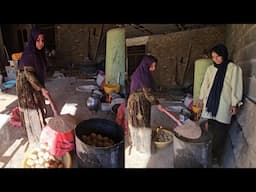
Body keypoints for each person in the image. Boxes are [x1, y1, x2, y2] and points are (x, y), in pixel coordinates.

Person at [198, 43, 243, 166]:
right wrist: (201, 99)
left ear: (224, 55)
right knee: (211, 128)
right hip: (210, 103)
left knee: (221, 132)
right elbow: (205, 85)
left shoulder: (233, 68)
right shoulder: (210, 69)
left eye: (218, 56)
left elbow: (236, 86)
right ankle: (209, 153)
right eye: (213, 57)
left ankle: (216, 155)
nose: (215, 59)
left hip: (224, 104)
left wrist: (235, 103)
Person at [16, 28, 59, 146]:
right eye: (38, 40)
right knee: (32, 109)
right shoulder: (29, 55)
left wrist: (41, 88)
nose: (41, 43)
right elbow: (29, 75)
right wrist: (41, 88)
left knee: (39, 104)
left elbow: (39, 71)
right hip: (26, 85)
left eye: (42, 40)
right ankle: (34, 138)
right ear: (33, 41)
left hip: (35, 83)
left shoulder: (39, 53)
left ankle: (41, 130)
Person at [127, 55, 164, 154]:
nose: (154, 68)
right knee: (141, 122)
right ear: (147, 64)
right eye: (153, 65)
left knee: (138, 122)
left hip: (141, 101)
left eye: (155, 66)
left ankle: (139, 144)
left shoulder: (142, 72)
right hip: (137, 103)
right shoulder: (142, 75)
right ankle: (142, 146)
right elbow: (148, 93)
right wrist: (157, 103)